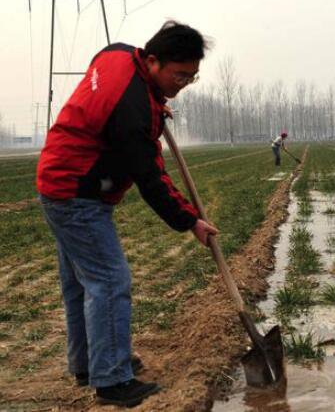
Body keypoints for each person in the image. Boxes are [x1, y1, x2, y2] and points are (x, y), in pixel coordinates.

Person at [36, 21, 219, 407]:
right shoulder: (132, 109)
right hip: (77, 192)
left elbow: (106, 73)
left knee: (80, 283)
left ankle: (89, 364)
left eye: (191, 77)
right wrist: (190, 222)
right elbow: (150, 179)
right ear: (152, 61)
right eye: (179, 75)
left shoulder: (118, 53)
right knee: (109, 280)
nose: (183, 83)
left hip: (58, 179)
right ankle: (113, 380)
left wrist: (154, 102)